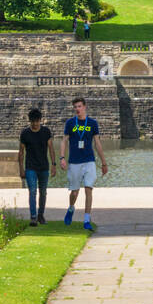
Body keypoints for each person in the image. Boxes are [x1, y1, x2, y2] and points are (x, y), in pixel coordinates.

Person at [60, 97, 108, 230]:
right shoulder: (70, 123)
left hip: (89, 160)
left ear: (85, 107)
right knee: (74, 192)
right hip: (74, 161)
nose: (77, 109)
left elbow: (97, 143)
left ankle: (87, 220)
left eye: (79, 106)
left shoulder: (92, 123)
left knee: (88, 189)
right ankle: (71, 208)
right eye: (75, 107)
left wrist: (104, 162)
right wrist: (62, 158)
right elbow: (64, 141)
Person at [18, 108, 56, 225]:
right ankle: (33, 217)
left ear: (40, 120)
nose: (35, 124)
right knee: (33, 191)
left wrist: (54, 165)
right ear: (30, 121)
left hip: (44, 167)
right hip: (30, 167)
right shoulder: (25, 133)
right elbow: (21, 152)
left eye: (37, 121)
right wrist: (21, 169)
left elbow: (51, 149)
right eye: (33, 122)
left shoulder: (46, 132)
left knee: (43, 192)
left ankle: (41, 215)